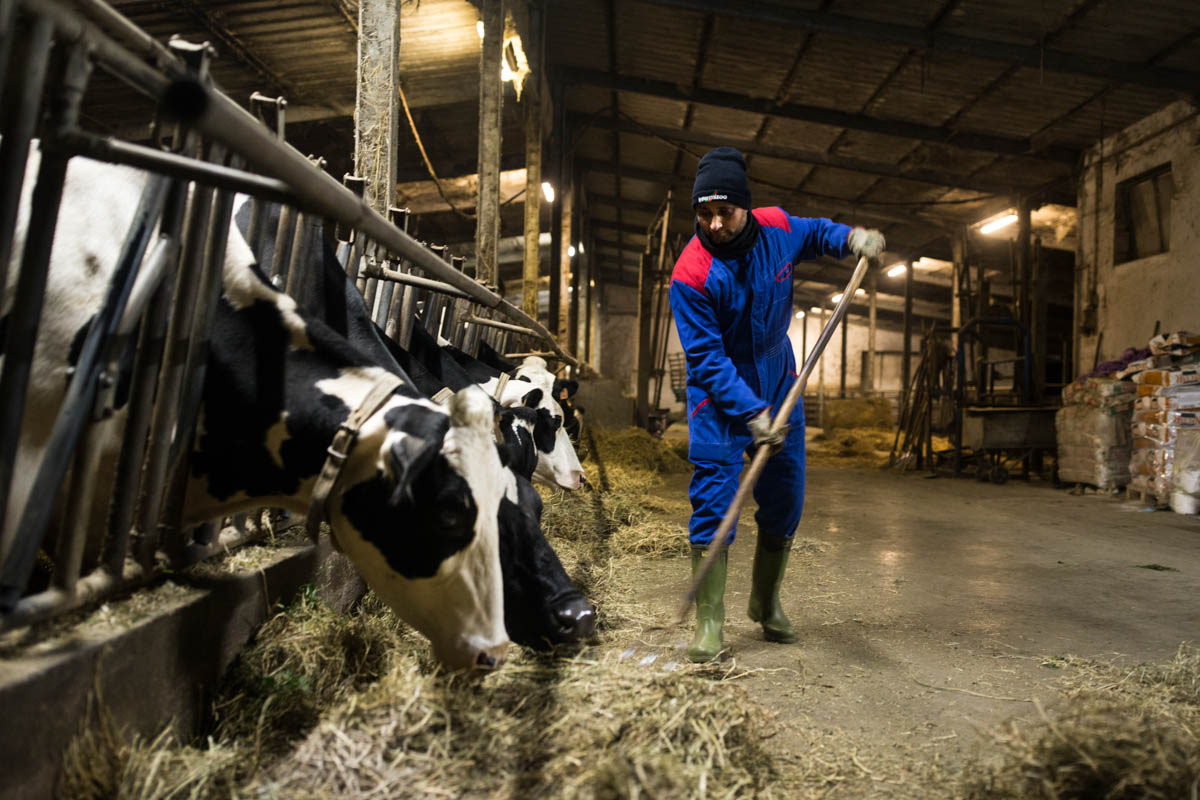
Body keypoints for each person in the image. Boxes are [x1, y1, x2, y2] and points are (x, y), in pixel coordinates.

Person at [668, 146, 885, 661]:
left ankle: (765, 604)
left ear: (746, 207)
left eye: (725, 212)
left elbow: (815, 232)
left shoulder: (777, 229)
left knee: (786, 497)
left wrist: (851, 238)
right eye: (704, 213)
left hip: (779, 380)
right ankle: (711, 622)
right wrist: (749, 411)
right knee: (714, 503)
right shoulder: (691, 273)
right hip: (719, 396)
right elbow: (705, 359)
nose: (715, 224)